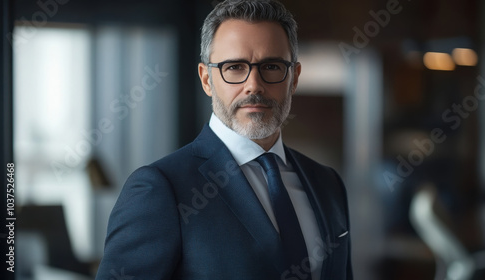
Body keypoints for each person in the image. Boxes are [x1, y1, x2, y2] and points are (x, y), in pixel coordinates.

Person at [96, 0, 352, 279]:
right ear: (206, 79)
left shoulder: (328, 184)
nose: (254, 84)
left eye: (272, 66)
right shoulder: (160, 188)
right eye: (234, 67)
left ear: (294, 78)